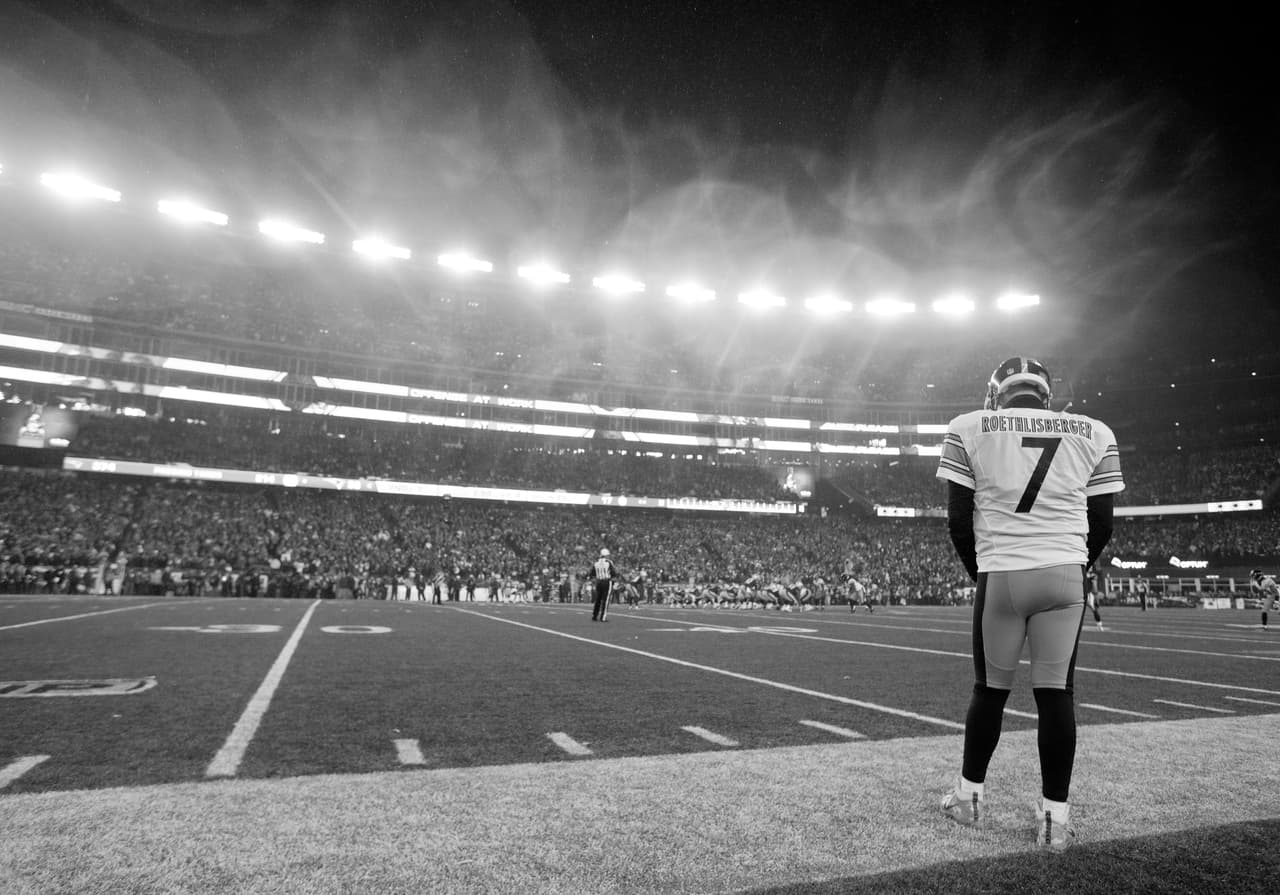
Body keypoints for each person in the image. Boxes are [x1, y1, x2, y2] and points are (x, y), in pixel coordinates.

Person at [935, 356, 1124, 851]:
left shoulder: (968, 427)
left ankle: (968, 797)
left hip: (1003, 573)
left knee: (990, 691)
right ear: (1044, 393)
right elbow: (1102, 522)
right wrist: (1073, 567)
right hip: (1064, 577)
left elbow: (957, 521)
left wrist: (986, 575)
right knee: (1056, 695)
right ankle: (1054, 821)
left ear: (998, 393)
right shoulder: (1094, 432)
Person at [590, 547, 618, 622]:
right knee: (606, 600)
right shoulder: (609, 562)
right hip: (607, 581)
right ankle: (603, 617)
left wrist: (595, 581)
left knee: (598, 599)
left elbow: (592, 574)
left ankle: (594, 615)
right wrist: (613, 581)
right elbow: (614, 573)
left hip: (598, 582)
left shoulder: (596, 563)